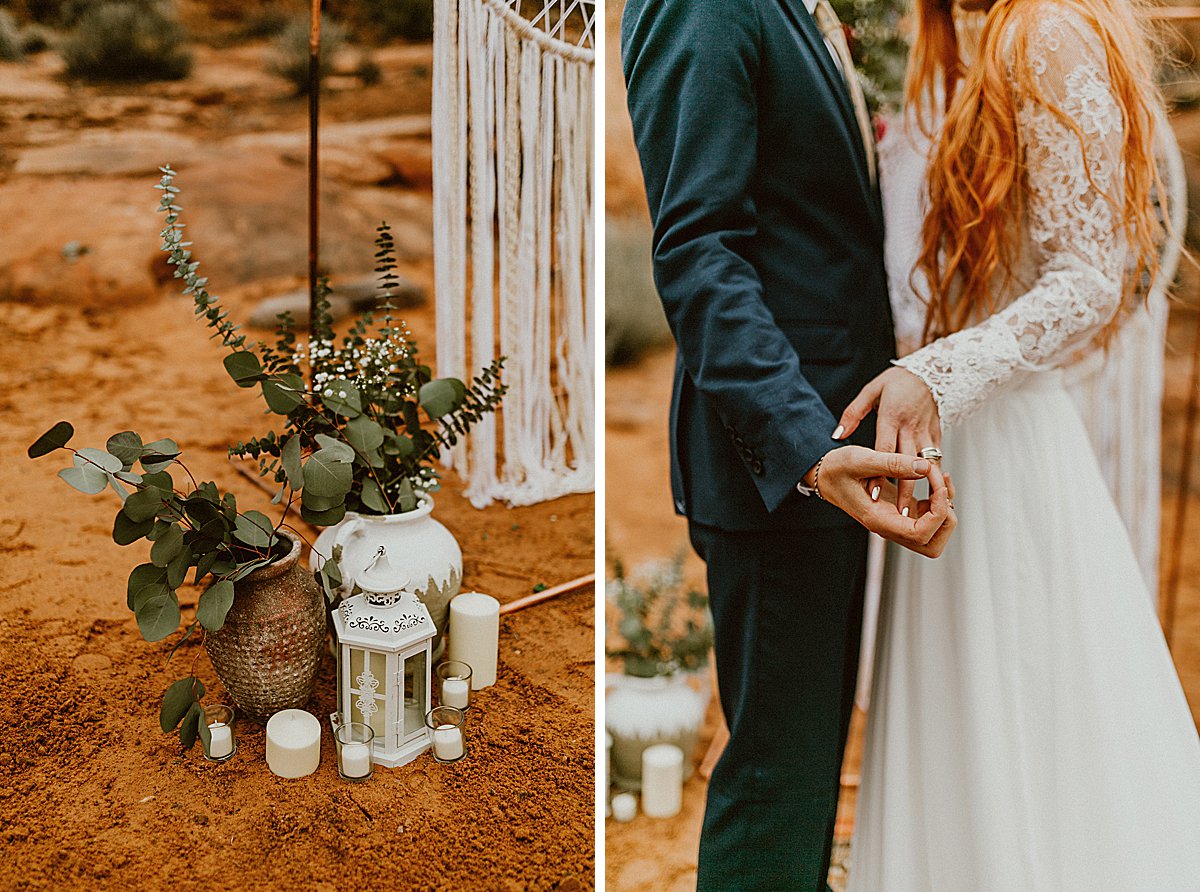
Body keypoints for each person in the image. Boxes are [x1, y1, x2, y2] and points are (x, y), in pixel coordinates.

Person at [844, 1, 1200, 887]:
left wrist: (940, 373)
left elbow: (1089, 278)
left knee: (1028, 717)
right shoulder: (946, 36)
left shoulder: (1048, 30)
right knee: (962, 721)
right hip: (943, 441)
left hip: (1005, 444)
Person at [621, 1, 957, 888]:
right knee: (776, 779)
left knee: (802, 775)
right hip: (786, 461)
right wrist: (807, 446)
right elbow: (697, 249)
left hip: (836, 447)